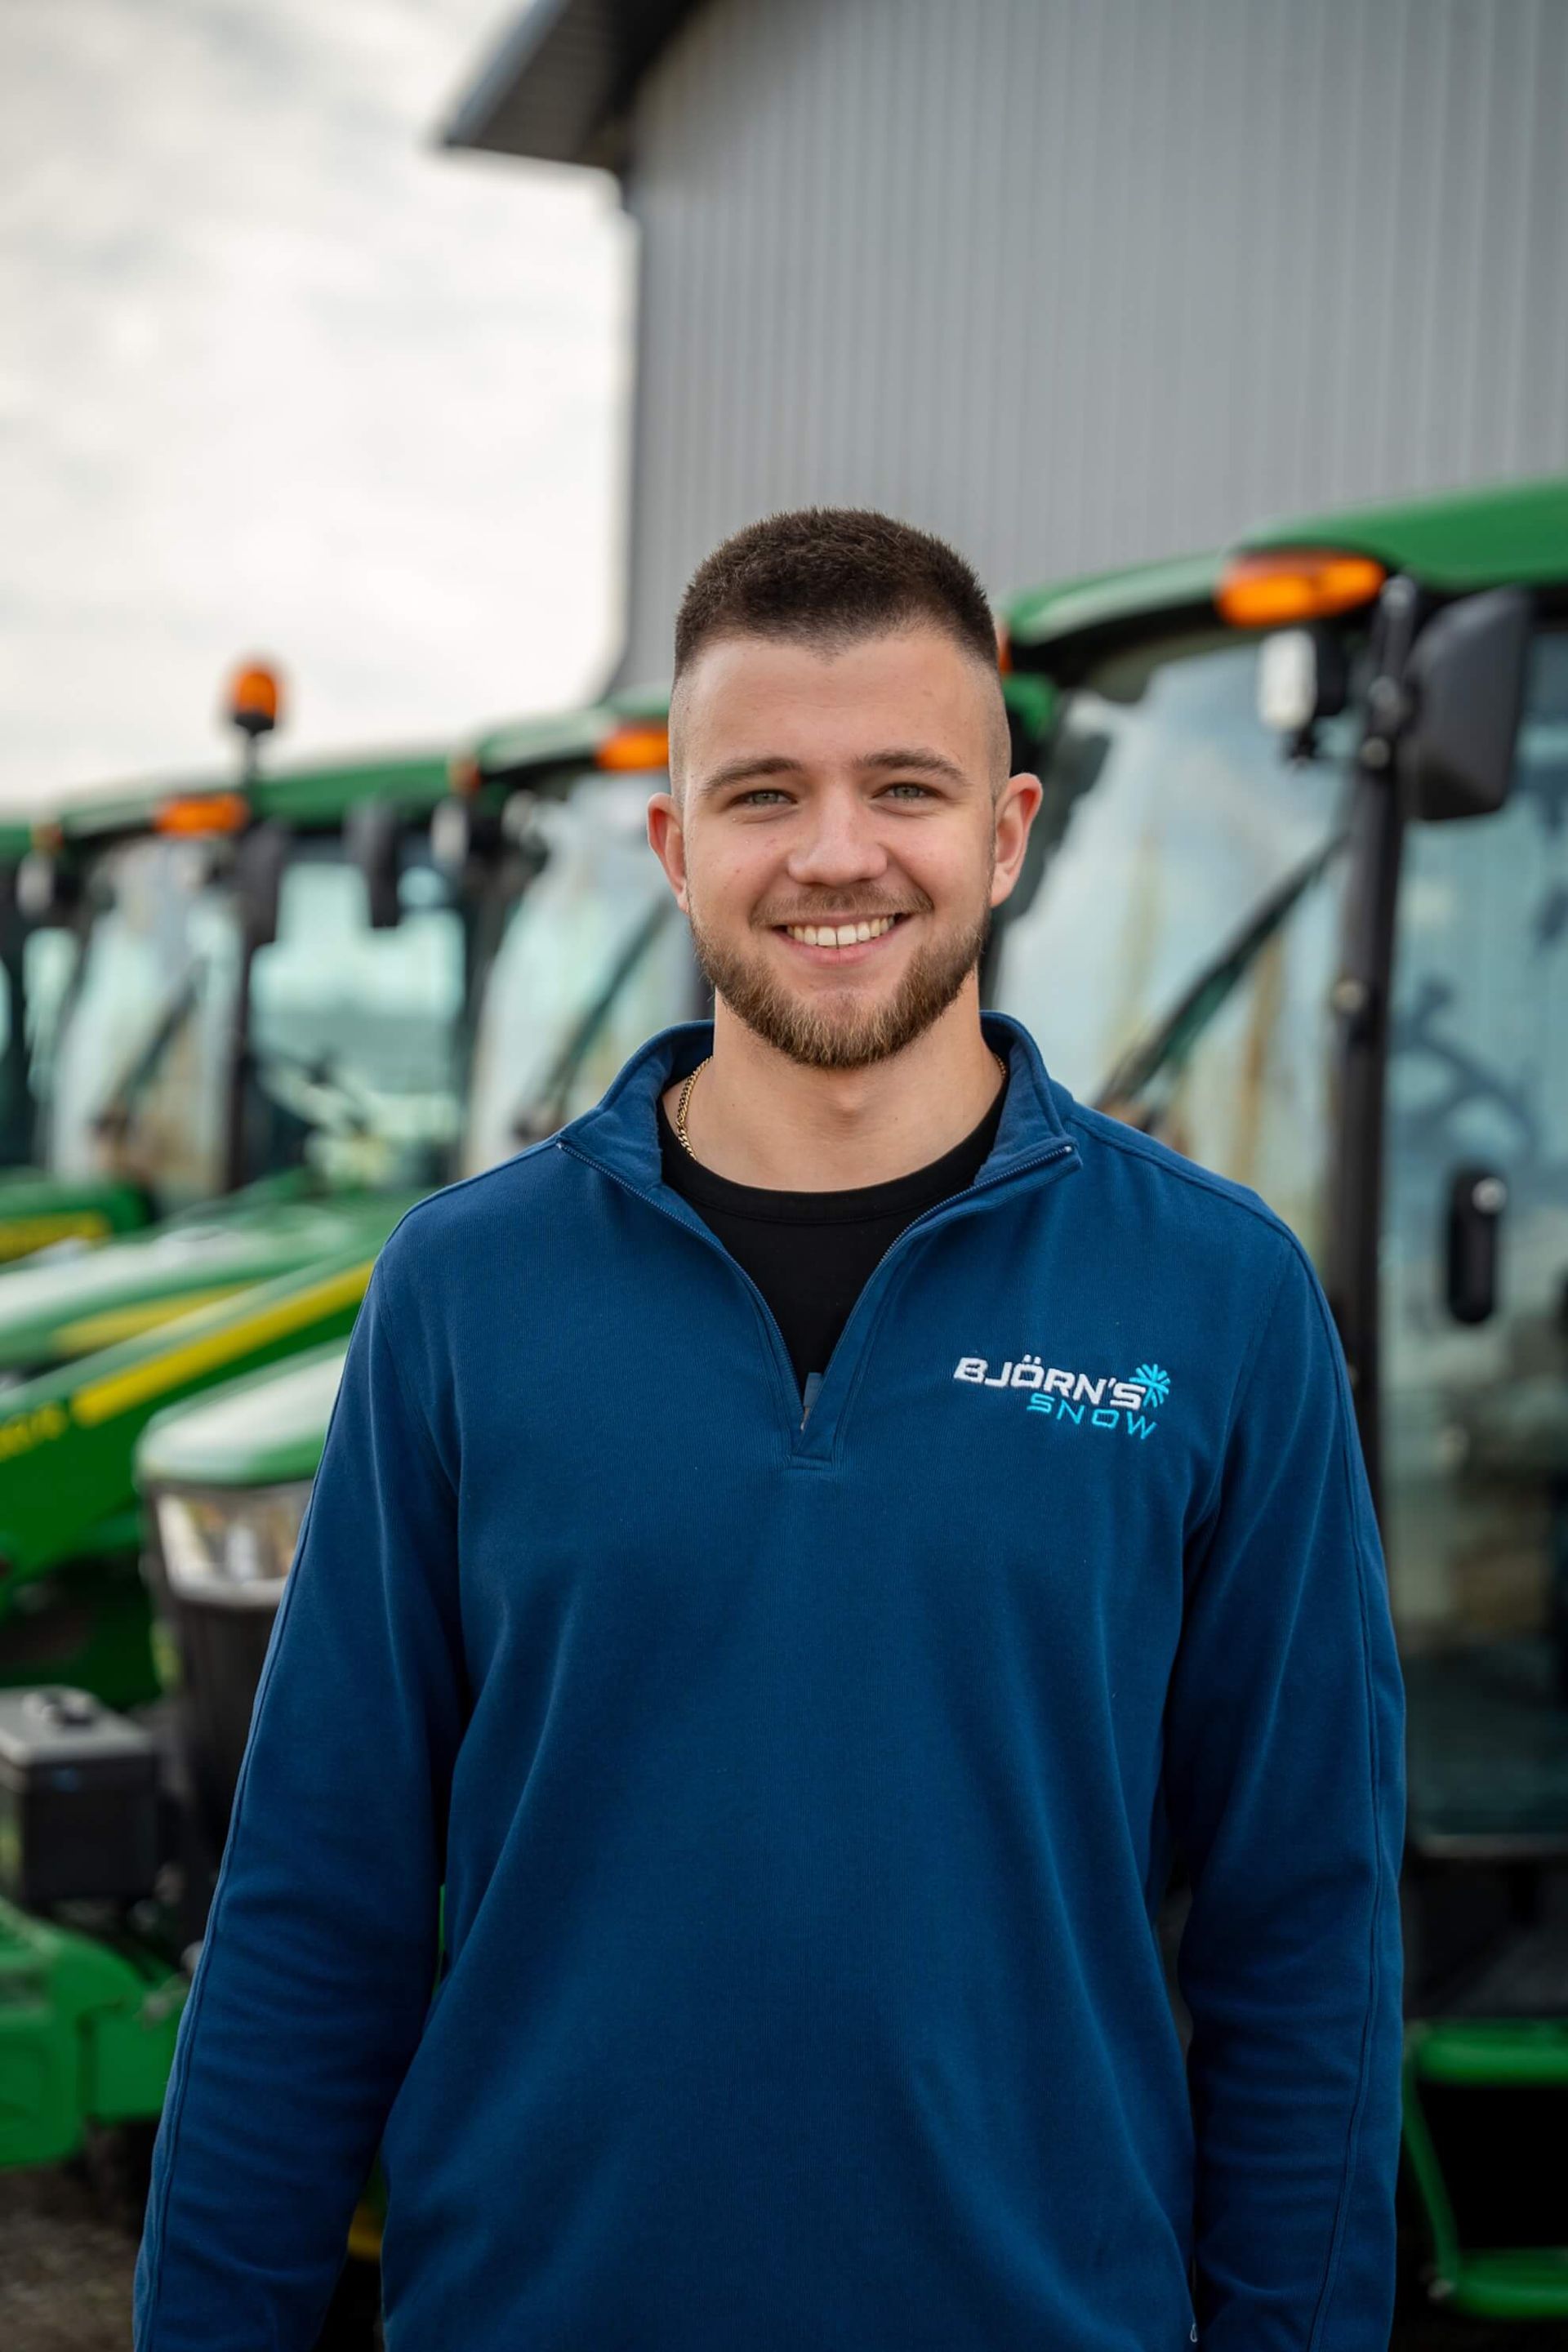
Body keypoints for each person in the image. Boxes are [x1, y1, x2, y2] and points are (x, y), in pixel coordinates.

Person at [134, 508, 1405, 2352]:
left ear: (1007, 831)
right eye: (761, 793)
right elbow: (311, 1912)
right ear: (673, 844)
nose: (834, 853)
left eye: (903, 785)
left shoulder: (1217, 1301)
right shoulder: (463, 1297)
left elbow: (1305, 1934)